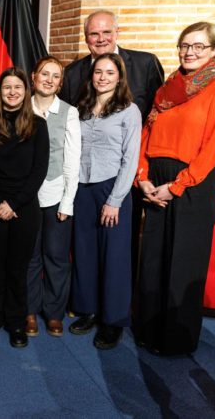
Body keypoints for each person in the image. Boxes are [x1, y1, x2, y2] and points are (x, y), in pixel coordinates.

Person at [135, 22, 215, 355]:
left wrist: (176, 186)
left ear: (214, 51)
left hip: (192, 183)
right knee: (152, 260)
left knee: (182, 264)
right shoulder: (166, 89)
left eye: (198, 46)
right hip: (156, 179)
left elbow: (213, 149)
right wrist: (144, 177)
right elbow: (147, 136)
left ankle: (176, 341)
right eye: (184, 45)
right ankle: (149, 331)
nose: (189, 52)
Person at [59, 10, 164, 271]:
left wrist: (143, 173)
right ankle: (87, 304)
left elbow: (157, 121)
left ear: (117, 32)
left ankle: (119, 304)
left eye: (106, 32)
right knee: (84, 244)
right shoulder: (72, 74)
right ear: (86, 38)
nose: (101, 38)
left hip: (129, 175)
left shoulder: (145, 64)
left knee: (120, 246)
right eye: (94, 33)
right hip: (84, 178)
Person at [0, 68, 49, 348]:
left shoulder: (38, 126)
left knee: (17, 269)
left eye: (17, 87)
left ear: (25, 91)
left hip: (24, 208)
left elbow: (39, 170)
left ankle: (15, 323)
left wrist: (14, 204)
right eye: (7, 87)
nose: (12, 92)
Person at [69, 53, 141, 350]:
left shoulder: (129, 111)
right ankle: (88, 310)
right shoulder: (82, 109)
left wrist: (115, 200)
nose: (103, 77)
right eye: (98, 72)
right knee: (84, 251)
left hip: (113, 190)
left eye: (110, 72)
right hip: (82, 189)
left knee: (114, 256)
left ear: (119, 77)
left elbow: (131, 159)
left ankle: (113, 321)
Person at [26, 56, 81, 338]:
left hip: (57, 194)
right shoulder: (21, 107)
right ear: (34, 77)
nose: (49, 79)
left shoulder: (69, 112)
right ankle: (29, 310)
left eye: (55, 76)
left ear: (60, 82)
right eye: (44, 74)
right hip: (26, 197)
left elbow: (72, 160)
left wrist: (67, 201)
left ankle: (55, 313)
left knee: (56, 256)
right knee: (29, 256)